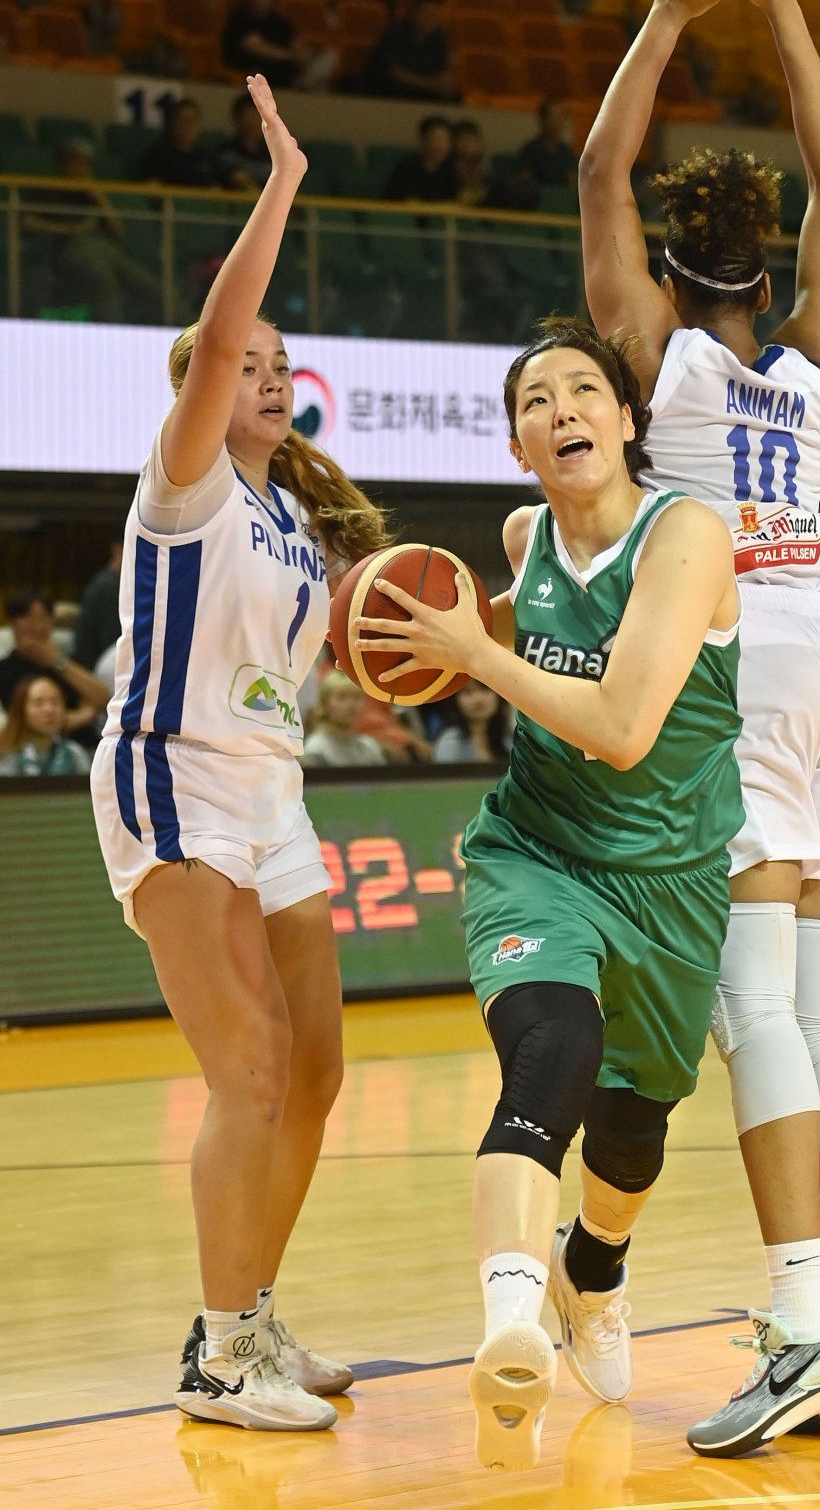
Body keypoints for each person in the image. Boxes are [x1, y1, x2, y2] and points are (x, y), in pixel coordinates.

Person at [577, 0, 820, 1459]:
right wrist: (781, 7)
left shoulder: (665, 362)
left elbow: (599, 171)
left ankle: (800, 1318)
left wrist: (666, 11)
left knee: (752, 1003)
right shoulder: (815, 367)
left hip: (745, 662)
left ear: (675, 273)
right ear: (769, 280)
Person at [354, 317, 746, 1471]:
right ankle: (511, 1328)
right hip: (535, 851)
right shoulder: (525, 540)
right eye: (536, 399)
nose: (562, 407)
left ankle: (594, 1271)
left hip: (669, 878)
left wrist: (475, 655)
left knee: (633, 1128)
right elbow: (467, 651)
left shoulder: (687, 535)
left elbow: (623, 728)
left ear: (626, 419)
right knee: (552, 1050)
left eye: (583, 389)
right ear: (517, 443)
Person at [89, 74, 393, 1433]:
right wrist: (282, 182)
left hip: (274, 795)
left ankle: (251, 1312)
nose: (266, 373)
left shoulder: (295, 529)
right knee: (250, 1067)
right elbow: (216, 341)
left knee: (315, 1072)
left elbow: (327, 668)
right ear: (207, 388)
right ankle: (219, 1359)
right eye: (247, 361)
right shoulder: (188, 480)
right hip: (173, 779)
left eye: (282, 362)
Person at [23, 140, 161, 324]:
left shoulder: (89, 194)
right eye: (76, 163)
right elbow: (28, 223)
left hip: (104, 248)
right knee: (103, 277)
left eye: (86, 164)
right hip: (68, 249)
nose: (81, 170)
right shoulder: (47, 189)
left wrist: (99, 197)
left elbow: (118, 231)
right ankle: (111, 330)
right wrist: (69, 230)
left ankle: (184, 330)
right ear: (63, 165)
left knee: (150, 285)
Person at [0, 588, 110, 738]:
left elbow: (104, 698)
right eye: (29, 619)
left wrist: (56, 661)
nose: (37, 627)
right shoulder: (5, 670)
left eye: (43, 619)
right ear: (12, 623)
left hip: (85, 743)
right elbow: (26, 723)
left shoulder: (67, 662)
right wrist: (85, 715)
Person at [221, 0, 337, 93]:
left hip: (288, 66)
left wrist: (304, 57)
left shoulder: (277, 20)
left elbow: (296, 43)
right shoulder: (240, 17)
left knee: (330, 57)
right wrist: (289, 56)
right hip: (256, 66)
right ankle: (303, 84)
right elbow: (257, 47)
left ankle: (307, 82)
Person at [366, 0, 460, 102]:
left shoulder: (438, 38)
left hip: (424, 92)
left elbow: (442, 69)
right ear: (415, 12)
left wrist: (445, 83)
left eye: (435, 14)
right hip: (392, 91)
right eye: (427, 13)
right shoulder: (395, 33)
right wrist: (431, 85)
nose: (432, 18)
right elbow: (394, 72)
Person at [0, 676, 92, 776]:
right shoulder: (7, 754)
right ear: (21, 710)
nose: (49, 710)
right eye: (38, 703)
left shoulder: (75, 754)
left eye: (55, 702)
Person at [301, 671, 388, 768]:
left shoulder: (370, 747)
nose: (351, 705)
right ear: (324, 703)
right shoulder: (316, 750)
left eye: (356, 697)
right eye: (341, 697)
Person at [72, 534, 124, 673]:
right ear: (118, 550)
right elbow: (114, 648)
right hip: (100, 671)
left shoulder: (111, 582)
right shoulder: (109, 587)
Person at [138, 99, 218, 189]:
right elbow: (151, 187)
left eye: (193, 120)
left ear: (200, 125)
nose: (189, 125)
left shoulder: (205, 159)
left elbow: (215, 189)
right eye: (183, 120)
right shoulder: (158, 155)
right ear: (172, 123)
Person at [431, 678, 510, 764]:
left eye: (485, 689)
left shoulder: (509, 739)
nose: (478, 699)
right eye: (467, 692)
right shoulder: (450, 743)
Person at [382, 114, 458, 203]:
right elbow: (392, 198)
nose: (441, 146)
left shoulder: (451, 169)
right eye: (435, 139)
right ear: (423, 140)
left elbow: (455, 201)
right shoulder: (406, 166)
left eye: (445, 140)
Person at [216, 91, 274, 192]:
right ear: (236, 119)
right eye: (247, 116)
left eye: (255, 116)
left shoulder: (272, 152)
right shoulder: (227, 151)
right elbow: (237, 178)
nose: (251, 122)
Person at [516, 100, 579, 192]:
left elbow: (572, 184)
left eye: (560, 117)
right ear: (542, 120)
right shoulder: (530, 150)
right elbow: (524, 182)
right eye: (553, 117)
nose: (557, 123)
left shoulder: (566, 152)